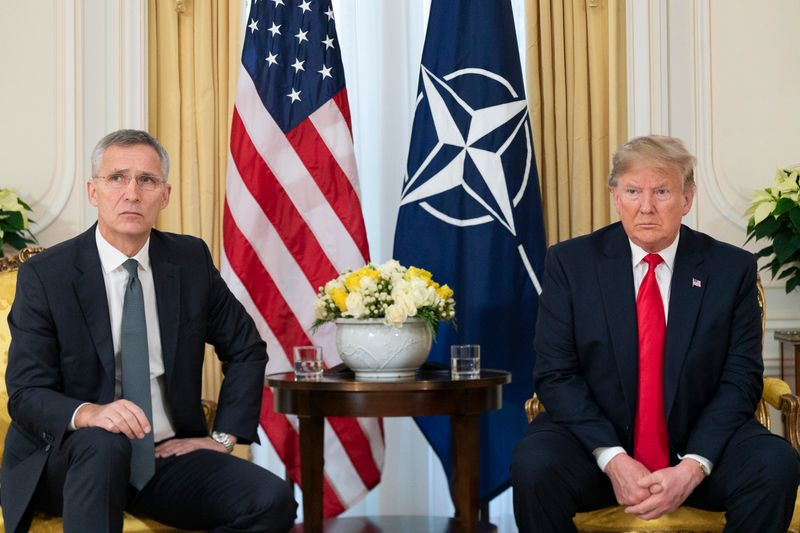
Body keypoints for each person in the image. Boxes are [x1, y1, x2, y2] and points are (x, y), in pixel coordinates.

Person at [1, 129, 297, 533]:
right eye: (117, 178)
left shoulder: (189, 261)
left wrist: (224, 437)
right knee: (104, 444)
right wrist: (91, 413)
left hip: (164, 458)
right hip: (73, 461)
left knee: (273, 501)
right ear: (93, 191)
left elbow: (245, 348)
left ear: (165, 195)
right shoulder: (47, 275)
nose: (132, 193)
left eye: (147, 180)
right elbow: (25, 392)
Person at [511, 135, 800, 532]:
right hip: (595, 450)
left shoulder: (731, 269)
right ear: (616, 196)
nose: (646, 207)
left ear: (687, 199)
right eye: (633, 191)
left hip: (699, 447)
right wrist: (613, 458)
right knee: (534, 463)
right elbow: (556, 375)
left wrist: (694, 467)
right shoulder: (570, 264)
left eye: (662, 191)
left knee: (775, 464)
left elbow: (740, 379)